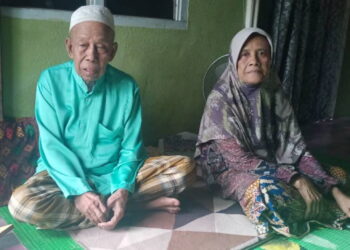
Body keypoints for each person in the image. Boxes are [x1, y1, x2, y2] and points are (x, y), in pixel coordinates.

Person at [8, 5, 196, 231]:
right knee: (21, 205)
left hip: (111, 176)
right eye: (83, 46)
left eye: (101, 47)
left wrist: (123, 189)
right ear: (69, 48)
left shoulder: (127, 87)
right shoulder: (50, 82)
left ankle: (119, 205)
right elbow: (52, 146)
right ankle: (136, 208)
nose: (92, 56)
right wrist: (79, 192)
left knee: (186, 169)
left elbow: (130, 150)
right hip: (62, 179)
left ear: (113, 51)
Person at [195, 27, 350, 237]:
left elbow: (297, 150)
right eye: (245, 54)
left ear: (270, 59)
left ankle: (321, 200)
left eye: (262, 53)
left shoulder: (275, 95)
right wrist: (297, 179)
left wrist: (334, 190)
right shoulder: (219, 102)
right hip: (228, 170)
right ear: (233, 60)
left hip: (274, 163)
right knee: (265, 191)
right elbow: (240, 161)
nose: (254, 61)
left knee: (337, 175)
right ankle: (325, 209)